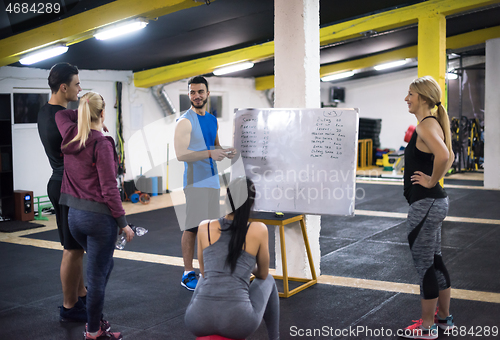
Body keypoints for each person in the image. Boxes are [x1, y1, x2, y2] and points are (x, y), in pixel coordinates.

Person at [56, 92, 134, 340]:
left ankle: (94, 318)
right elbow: (110, 189)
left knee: (102, 266)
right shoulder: (102, 143)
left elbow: (61, 113)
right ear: (103, 113)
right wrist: (124, 224)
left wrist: (85, 111)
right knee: (97, 276)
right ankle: (93, 331)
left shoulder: (71, 136)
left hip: (74, 218)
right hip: (98, 220)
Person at [185, 177, 280, 340]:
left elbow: (204, 272)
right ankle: (275, 338)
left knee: (204, 277)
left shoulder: (204, 226)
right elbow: (262, 274)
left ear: (226, 199)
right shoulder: (258, 229)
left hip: (196, 320)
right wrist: (246, 267)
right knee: (269, 279)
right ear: (252, 203)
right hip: (238, 322)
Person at [401, 76, 456, 339]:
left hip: (426, 203)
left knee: (424, 266)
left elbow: (445, 156)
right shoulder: (433, 123)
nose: (406, 98)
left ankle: (427, 328)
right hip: (434, 202)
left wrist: (432, 180)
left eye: (410, 94)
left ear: (422, 97)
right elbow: (450, 154)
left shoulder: (425, 126)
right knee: (434, 262)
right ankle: (443, 319)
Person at [174, 76, 235, 291]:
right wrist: (210, 152)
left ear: (208, 94)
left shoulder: (211, 119)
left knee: (209, 228)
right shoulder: (185, 121)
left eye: (200, 91)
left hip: (212, 182)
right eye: (192, 92)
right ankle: (187, 273)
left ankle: (207, 271)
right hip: (195, 183)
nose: (196, 96)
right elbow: (181, 155)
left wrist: (228, 151)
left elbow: (215, 145)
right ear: (189, 95)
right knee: (192, 228)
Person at [37, 62, 87, 322]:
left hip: (61, 183)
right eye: (77, 84)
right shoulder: (61, 116)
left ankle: (81, 295)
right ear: (64, 87)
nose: (80, 89)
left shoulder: (45, 112)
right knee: (72, 248)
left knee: (76, 247)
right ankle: (70, 307)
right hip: (65, 185)